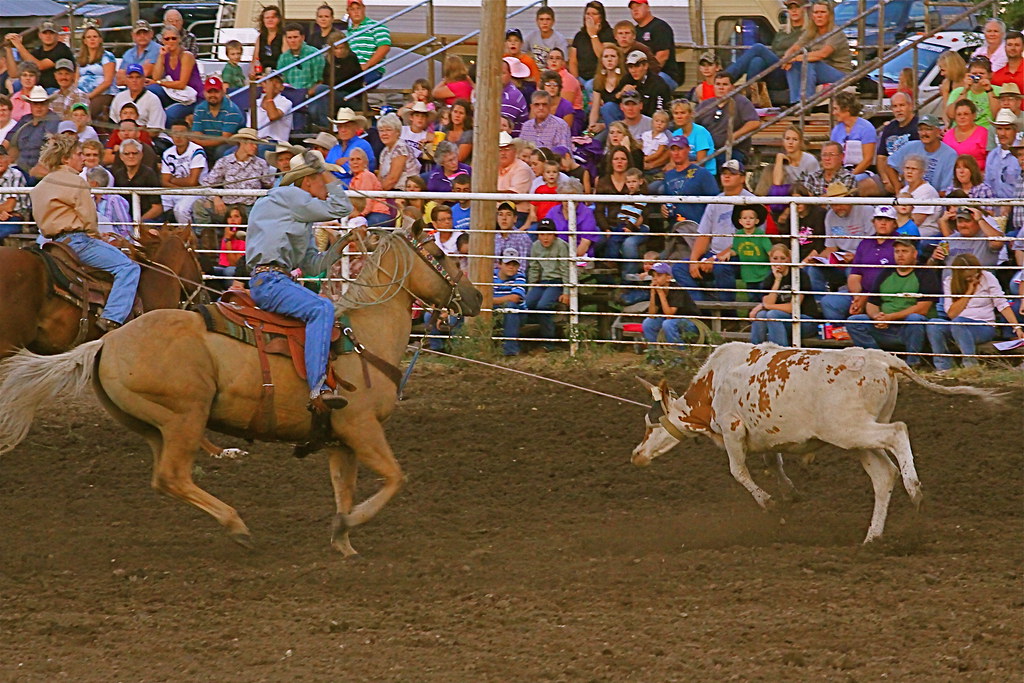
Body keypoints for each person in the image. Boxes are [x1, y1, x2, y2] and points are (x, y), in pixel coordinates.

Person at [245, 149, 354, 410]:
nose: (325, 186)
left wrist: (342, 244)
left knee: (322, 306)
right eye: (321, 179)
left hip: (272, 280)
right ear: (308, 181)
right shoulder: (291, 196)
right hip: (271, 280)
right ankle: (318, 388)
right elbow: (343, 206)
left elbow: (313, 265)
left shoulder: (294, 214)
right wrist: (325, 171)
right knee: (321, 307)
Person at [31, 134, 139, 331]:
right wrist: (97, 236)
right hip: (79, 242)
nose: (83, 159)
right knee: (128, 267)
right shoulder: (75, 181)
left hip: (52, 244)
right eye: (79, 154)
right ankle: (112, 317)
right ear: (65, 159)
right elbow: (89, 218)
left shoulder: (40, 186)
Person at [845, 238, 937, 367]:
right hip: (886, 327)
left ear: (915, 254)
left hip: (910, 328)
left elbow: (922, 309)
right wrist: (877, 317)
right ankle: (878, 362)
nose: (900, 255)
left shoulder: (925, 274)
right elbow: (872, 303)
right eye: (897, 251)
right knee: (854, 321)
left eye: (904, 251)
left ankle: (913, 363)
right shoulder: (886, 273)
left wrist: (890, 317)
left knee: (915, 319)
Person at [926, 253, 1024, 371]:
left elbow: (1002, 305)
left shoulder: (987, 277)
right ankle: (943, 368)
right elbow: (951, 314)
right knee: (934, 324)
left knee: (959, 324)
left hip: (983, 326)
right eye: (968, 276)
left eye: (975, 273)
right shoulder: (949, 281)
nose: (973, 278)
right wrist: (969, 292)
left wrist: (1017, 327)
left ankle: (971, 367)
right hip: (957, 325)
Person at [676, 159, 753, 303]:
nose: (727, 176)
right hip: (714, 254)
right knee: (680, 268)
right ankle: (700, 310)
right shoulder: (716, 201)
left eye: (732, 173)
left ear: (742, 178)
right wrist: (694, 261)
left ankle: (728, 317)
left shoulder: (751, 201)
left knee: (721, 267)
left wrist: (716, 259)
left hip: (741, 254)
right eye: (724, 173)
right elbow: (704, 235)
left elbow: (747, 239)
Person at [818, 205, 899, 325]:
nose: (883, 223)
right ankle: (842, 333)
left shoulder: (900, 244)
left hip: (887, 294)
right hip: (862, 293)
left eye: (887, 220)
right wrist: (857, 297)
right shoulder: (865, 243)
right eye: (879, 219)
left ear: (894, 224)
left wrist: (865, 298)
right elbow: (855, 275)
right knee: (829, 302)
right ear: (873, 222)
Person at [193, 128, 274, 227]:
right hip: (227, 207)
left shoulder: (261, 163)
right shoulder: (224, 162)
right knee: (199, 204)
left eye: (256, 144)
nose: (255, 147)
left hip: (249, 208)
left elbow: (269, 185)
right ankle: (206, 238)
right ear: (242, 142)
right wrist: (215, 198)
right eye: (252, 143)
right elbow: (206, 184)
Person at [724, 0, 806, 89]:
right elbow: (774, 51)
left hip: (790, 71)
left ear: (804, 9)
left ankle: (726, 79)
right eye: (790, 8)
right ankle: (752, 95)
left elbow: (808, 53)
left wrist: (790, 59)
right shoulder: (783, 32)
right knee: (757, 61)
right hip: (775, 70)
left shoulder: (807, 32)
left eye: (797, 7)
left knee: (758, 48)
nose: (794, 11)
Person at [749, 244, 819, 346]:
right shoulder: (769, 278)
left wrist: (766, 306)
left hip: (805, 321)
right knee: (761, 315)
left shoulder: (799, 275)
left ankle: (781, 354)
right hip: (781, 321)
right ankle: (756, 351)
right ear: (770, 260)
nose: (779, 262)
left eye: (782, 258)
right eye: (775, 258)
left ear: (788, 259)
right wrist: (777, 280)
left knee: (772, 314)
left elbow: (792, 308)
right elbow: (768, 302)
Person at [781, 0, 852, 101]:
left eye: (822, 12)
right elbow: (795, 47)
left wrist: (795, 58)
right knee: (795, 65)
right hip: (819, 71)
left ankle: (806, 102)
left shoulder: (836, 32)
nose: (819, 16)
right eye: (816, 12)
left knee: (808, 62)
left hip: (840, 73)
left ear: (830, 15)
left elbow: (823, 54)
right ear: (812, 15)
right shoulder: (811, 31)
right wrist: (787, 58)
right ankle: (795, 103)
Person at [695, 72, 760, 164]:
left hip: (734, 150)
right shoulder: (705, 105)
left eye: (725, 84)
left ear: (732, 87)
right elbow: (692, 124)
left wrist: (735, 135)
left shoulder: (741, 102)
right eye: (718, 84)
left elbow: (754, 122)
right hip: (707, 150)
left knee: (717, 161)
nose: (721, 87)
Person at [275, 24, 329, 132]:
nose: (293, 41)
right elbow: (281, 81)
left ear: (303, 37)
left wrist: (304, 94)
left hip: (310, 95)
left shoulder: (314, 54)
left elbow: (320, 80)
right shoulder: (283, 58)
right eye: (289, 38)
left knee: (313, 110)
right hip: (289, 95)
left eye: (295, 37)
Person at [526, 219, 570, 351]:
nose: (545, 238)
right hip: (542, 282)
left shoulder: (561, 245)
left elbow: (566, 269)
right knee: (527, 304)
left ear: (554, 235)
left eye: (549, 234)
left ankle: (548, 342)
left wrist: (566, 291)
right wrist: (531, 289)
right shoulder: (535, 246)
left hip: (557, 281)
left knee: (543, 306)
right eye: (542, 234)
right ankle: (530, 337)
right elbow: (534, 269)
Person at [885, 115, 958, 191]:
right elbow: (890, 165)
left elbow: (946, 191)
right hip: (908, 197)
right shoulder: (909, 146)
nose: (924, 133)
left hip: (935, 199)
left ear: (938, 132)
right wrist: (898, 189)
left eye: (928, 129)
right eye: (921, 129)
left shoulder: (950, 155)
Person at [661, 134, 719, 227]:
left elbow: (716, 202)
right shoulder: (668, 175)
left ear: (688, 149)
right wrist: (663, 208)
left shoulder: (702, 173)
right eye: (673, 149)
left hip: (699, 228)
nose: (676, 153)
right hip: (676, 228)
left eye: (680, 149)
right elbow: (667, 199)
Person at [4, 86, 60, 180]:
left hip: (42, 169)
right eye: (35, 104)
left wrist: (38, 168)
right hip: (20, 168)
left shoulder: (53, 120)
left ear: (47, 104)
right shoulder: (25, 119)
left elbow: (51, 146)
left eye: (42, 103)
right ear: (30, 105)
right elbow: (9, 139)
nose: (38, 107)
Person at [146, 26, 202, 120]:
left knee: (169, 115)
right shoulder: (165, 56)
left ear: (179, 39)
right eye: (167, 39)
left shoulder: (186, 56)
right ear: (163, 41)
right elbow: (156, 77)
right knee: (150, 89)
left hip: (192, 97)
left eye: (174, 38)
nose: (170, 41)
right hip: (175, 94)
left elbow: (181, 84)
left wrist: (158, 83)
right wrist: (161, 56)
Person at [4, 20, 74, 92]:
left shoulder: (62, 49)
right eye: (44, 33)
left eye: (51, 33)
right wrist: (8, 48)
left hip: (55, 89)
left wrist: (18, 45)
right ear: (39, 35)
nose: (48, 36)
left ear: (57, 35)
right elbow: (14, 74)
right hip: (37, 89)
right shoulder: (37, 51)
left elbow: (40, 66)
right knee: (17, 84)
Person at [160, 120, 208, 224]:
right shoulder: (167, 153)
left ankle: (189, 238)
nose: (178, 136)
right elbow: (164, 181)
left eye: (182, 133)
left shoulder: (197, 151)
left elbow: (193, 182)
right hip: (174, 190)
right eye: (175, 133)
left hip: (197, 192)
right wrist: (179, 188)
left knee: (181, 210)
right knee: (158, 206)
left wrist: (172, 180)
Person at [929, 206, 1004, 273]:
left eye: (967, 221)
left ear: (977, 222)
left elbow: (998, 242)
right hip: (949, 285)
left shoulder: (987, 238)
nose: (963, 225)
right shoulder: (949, 240)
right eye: (960, 221)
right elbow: (930, 268)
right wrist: (934, 258)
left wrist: (980, 219)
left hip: (979, 285)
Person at [190, 75, 245, 163]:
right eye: (209, 92)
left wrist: (201, 143)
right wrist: (199, 143)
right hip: (208, 142)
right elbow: (198, 134)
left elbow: (225, 138)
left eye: (216, 92)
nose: (213, 95)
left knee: (220, 151)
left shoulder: (232, 110)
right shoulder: (199, 108)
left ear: (223, 92)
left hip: (230, 143)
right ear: (204, 93)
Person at [642, 262, 699, 346]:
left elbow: (669, 315)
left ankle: (678, 356)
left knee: (668, 324)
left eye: (659, 275)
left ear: (668, 278)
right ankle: (655, 354)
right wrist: (653, 293)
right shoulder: (658, 289)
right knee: (648, 323)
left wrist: (661, 293)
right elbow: (651, 314)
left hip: (689, 323)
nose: (655, 279)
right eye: (653, 276)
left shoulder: (676, 290)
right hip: (670, 321)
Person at [718, 204, 771, 293]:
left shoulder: (761, 235)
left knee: (763, 296)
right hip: (748, 273)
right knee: (751, 297)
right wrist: (729, 253)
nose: (748, 220)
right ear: (740, 221)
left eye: (751, 218)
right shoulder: (739, 235)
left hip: (763, 272)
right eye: (745, 218)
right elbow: (736, 250)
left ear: (756, 221)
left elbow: (770, 251)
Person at [629, 0, 681, 89]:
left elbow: (662, 57)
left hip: (664, 74)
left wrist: (645, 75)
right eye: (632, 8)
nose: (635, 10)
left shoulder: (660, 27)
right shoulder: (634, 31)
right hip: (640, 75)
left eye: (638, 6)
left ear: (648, 7)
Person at [829, 91, 876, 187]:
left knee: (848, 184)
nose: (833, 113)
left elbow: (868, 159)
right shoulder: (836, 130)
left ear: (846, 109)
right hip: (842, 171)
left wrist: (850, 176)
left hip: (861, 171)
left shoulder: (866, 128)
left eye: (836, 109)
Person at [875, 91, 919, 195]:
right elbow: (881, 158)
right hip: (888, 177)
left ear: (911, 106)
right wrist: (886, 180)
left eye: (902, 105)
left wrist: (898, 183)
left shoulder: (919, 127)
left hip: (910, 177)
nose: (898, 109)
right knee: (862, 186)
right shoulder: (889, 128)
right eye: (895, 106)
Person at [111, 139, 164, 222]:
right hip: (123, 221)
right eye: (127, 154)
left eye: (134, 153)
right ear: (121, 157)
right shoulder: (117, 175)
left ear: (141, 155)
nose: (131, 156)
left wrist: (138, 222)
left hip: (146, 220)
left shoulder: (149, 174)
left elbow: (157, 208)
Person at [945, 57, 1001, 130]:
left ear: (990, 75)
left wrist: (989, 90)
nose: (977, 77)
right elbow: (951, 115)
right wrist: (965, 90)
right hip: (961, 131)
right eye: (974, 74)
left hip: (986, 133)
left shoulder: (999, 91)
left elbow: (998, 117)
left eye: (981, 74)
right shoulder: (958, 91)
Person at [345, 0, 392, 86]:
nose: (356, 12)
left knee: (352, 86)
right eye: (352, 9)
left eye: (358, 8)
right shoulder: (347, 33)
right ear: (348, 11)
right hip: (352, 71)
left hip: (372, 70)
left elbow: (384, 47)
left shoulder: (376, 26)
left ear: (364, 9)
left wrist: (366, 65)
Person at [569, 1, 615, 87]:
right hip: (581, 77)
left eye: (594, 14)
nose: (590, 16)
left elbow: (602, 56)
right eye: (588, 13)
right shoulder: (579, 36)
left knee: (590, 85)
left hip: (600, 77)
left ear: (601, 17)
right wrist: (576, 79)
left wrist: (593, 34)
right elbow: (573, 61)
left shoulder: (609, 34)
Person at [987, 109, 1023, 220]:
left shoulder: (1021, 154)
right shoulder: (992, 155)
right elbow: (988, 185)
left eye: (1007, 129)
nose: (1002, 133)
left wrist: (1009, 204)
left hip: (1018, 211)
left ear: (1015, 131)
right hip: (996, 212)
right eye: (999, 129)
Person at [76, 26, 117, 120]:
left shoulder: (107, 56)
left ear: (100, 39)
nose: (92, 39)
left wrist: (89, 96)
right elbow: (76, 80)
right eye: (89, 37)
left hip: (104, 94)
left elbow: (108, 82)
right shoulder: (80, 58)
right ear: (84, 41)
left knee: (84, 112)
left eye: (95, 37)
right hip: (82, 94)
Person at [109, 64, 165, 131]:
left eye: (138, 77)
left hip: (146, 138)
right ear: (126, 80)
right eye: (130, 77)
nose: (134, 80)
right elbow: (113, 122)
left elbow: (155, 129)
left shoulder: (153, 99)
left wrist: (136, 135)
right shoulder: (119, 97)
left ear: (144, 79)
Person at [326, 107, 375, 182]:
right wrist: (337, 166)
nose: (343, 130)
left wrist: (332, 169)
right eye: (340, 126)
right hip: (334, 189)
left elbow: (347, 171)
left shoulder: (362, 144)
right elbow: (325, 170)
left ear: (356, 128)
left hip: (357, 190)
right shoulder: (334, 149)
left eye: (347, 126)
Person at [376, 112, 420, 192]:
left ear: (398, 132)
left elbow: (392, 180)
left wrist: (377, 193)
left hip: (403, 192)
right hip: (388, 191)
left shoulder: (400, 148)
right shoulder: (384, 151)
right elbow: (380, 177)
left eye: (388, 130)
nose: (384, 134)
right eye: (381, 131)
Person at [900, 154, 941, 238]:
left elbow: (916, 221)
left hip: (924, 232)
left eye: (914, 169)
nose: (909, 172)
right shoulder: (904, 190)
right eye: (907, 168)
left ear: (922, 172)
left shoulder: (927, 191)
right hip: (904, 229)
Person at [769, 125, 819, 194]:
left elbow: (815, 187)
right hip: (789, 193)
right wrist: (779, 159)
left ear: (800, 142)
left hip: (806, 193)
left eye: (795, 139)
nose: (790, 142)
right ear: (783, 142)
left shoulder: (810, 160)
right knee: (776, 190)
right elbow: (777, 183)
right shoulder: (782, 159)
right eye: (787, 139)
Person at [943, 99, 990, 172]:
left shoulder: (984, 134)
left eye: (966, 114)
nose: (962, 117)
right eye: (959, 114)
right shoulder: (948, 135)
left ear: (974, 116)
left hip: (977, 177)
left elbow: (991, 160)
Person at [587, 44, 626, 134]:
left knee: (608, 107)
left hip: (622, 120)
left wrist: (603, 125)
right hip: (606, 121)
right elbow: (595, 108)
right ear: (602, 61)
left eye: (613, 56)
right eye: (606, 56)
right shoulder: (598, 80)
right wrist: (592, 125)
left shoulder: (625, 79)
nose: (609, 59)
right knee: (593, 141)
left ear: (619, 59)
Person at [86, 166, 133, 239]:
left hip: (115, 242)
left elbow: (125, 227)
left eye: (87, 181)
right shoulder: (90, 200)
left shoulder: (115, 200)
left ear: (94, 183)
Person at [497, 131, 534, 224]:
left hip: (517, 213)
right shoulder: (492, 167)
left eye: (507, 149)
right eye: (500, 150)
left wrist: (489, 192)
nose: (503, 153)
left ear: (514, 151)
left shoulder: (522, 168)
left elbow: (515, 196)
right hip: (496, 212)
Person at [322, 30, 364, 100]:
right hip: (332, 93)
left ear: (346, 47)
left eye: (342, 48)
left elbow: (348, 81)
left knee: (321, 90)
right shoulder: (328, 59)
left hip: (350, 96)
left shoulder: (351, 58)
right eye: (336, 48)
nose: (339, 51)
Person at [116, 20, 160, 86]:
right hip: (131, 88)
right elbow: (119, 79)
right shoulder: (128, 53)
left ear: (151, 34)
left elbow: (147, 72)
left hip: (152, 86)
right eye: (138, 33)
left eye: (145, 33)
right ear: (133, 35)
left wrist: (128, 75)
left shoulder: (158, 49)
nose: (142, 36)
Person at [0, 146, 29, 240]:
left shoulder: (15, 174)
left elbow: (9, 206)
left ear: (8, 159)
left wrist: (4, 211)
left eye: (2, 158)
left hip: (14, 217)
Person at [254, 73, 293, 143]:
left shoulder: (285, 102)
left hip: (276, 142)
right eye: (270, 82)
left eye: (277, 82)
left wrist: (269, 95)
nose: (273, 85)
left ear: (282, 87)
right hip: (256, 140)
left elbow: (273, 116)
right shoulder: (256, 102)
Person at [544, 48, 583, 114]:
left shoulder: (568, 79)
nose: (554, 61)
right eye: (551, 58)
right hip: (549, 111)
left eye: (558, 58)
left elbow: (565, 106)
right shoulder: (543, 77)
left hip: (572, 113)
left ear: (563, 63)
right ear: (547, 62)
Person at [501, 57, 530, 134]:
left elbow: (501, 126)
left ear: (510, 75)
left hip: (511, 141)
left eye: (502, 73)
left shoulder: (512, 96)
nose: (498, 76)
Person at [253, 5, 284, 75]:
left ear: (278, 19)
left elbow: (286, 58)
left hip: (279, 74)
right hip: (262, 74)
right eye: (267, 18)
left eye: (273, 17)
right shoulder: (260, 37)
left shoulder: (283, 36)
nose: (270, 20)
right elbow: (255, 59)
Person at [441, 99, 473, 163]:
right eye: (455, 112)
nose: (457, 116)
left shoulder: (468, 134)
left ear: (466, 116)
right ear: (451, 113)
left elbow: (459, 158)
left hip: (460, 169)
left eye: (461, 113)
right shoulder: (445, 130)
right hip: (443, 165)